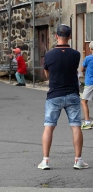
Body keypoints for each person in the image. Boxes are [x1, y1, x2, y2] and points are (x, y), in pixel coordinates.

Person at [38, 24, 89, 170]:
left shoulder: (48, 55)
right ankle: (78, 160)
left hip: (54, 94)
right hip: (72, 94)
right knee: (76, 126)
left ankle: (45, 161)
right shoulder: (76, 54)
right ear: (70, 36)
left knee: (49, 127)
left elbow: (47, 73)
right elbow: (73, 71)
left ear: (56, 36)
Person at [80, 41, 93, 130]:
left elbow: (81, 69)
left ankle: (87, 122)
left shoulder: (88, 58)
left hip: (90, 82)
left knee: (84, 101)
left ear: (90, 48)